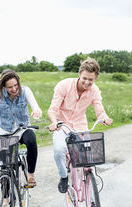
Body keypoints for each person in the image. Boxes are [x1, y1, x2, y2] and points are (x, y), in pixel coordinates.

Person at [48, 57, 113, 193]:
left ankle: (92, 193)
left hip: (80, 126)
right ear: (79, 74)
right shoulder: (64, 85)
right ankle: (64, 176)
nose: (87, 82)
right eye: (85, 78)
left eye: (91, 79)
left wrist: (105, 118)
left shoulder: (94, 91)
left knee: (89, 158)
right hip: (62, 125)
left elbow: (99, 110)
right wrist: (54, 122)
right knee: (59, 150)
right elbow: (52, 109)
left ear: (95, 79)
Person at [0, 69, 42, 186]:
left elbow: (36, 107)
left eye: (16, 85)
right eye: (10, 87)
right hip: (6, 131)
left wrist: (36, 111)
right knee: (5, 166)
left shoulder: (25, 91)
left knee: (31, 140)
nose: (14, 89)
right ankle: (5, 198)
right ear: (4, 87)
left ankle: (30, 175)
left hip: (23, 128)